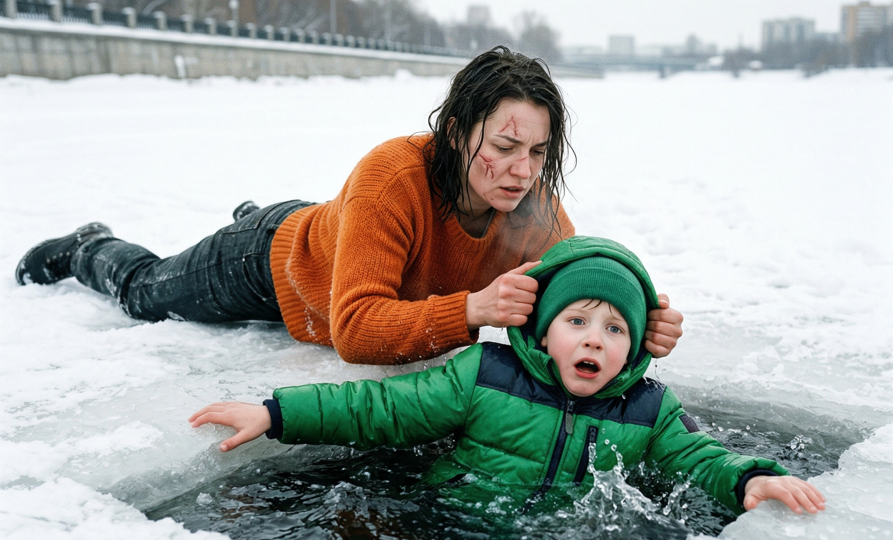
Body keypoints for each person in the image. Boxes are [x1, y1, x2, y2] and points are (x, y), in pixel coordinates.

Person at [14, 46, 683, 365]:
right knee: (143, 294)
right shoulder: (393, 176)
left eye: (537, 152)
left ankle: (256, 209)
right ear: (457, 132)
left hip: (341, 230)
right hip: (272, 265)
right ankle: (88, 245)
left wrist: (634, 320)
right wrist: (472, 310)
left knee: (342, 226)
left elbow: (579, 287)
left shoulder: (533, 211)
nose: (523, 171)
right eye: (505, 146)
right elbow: (356, 331)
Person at [189, 236, 825, 515]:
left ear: (633, 350)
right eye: (577, 320)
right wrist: (275, 414)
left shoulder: (646, 410)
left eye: (615, 330)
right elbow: (383, 408)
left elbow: (700, 458)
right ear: (543, 330)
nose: (594, 339)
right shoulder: (485, 375)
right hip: (449, 519)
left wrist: (751, 479)